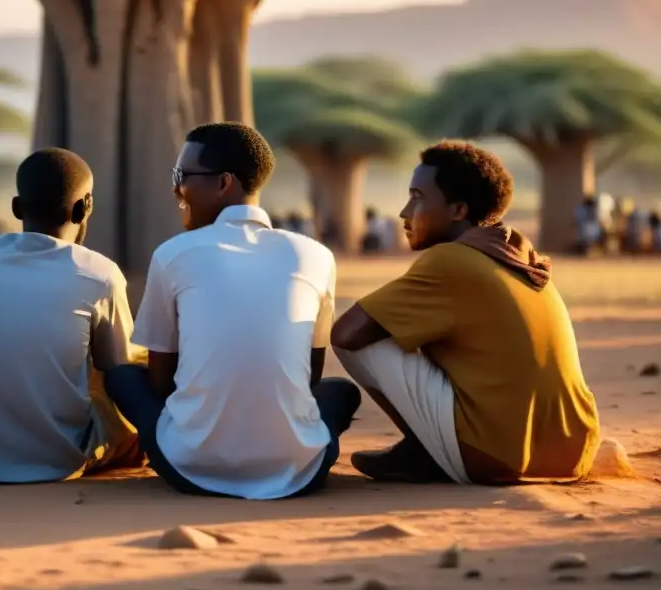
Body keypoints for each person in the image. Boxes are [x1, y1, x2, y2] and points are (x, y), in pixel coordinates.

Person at [105, 122, 360, 499]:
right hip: (300, 470)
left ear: (224, 183)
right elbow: (312, 376)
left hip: (188, 468)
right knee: (340, 393)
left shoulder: (174, 254)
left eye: (182, 176)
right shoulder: (316, 255)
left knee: (124, 378)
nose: (177, 188)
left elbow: (160, 382)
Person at [332, 141, 599, 484]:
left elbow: (347, 333)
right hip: (575, 453)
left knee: (361, 337)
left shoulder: (452, 261)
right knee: (396, 325)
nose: (404, 211)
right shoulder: (520, 257)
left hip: (496, 457)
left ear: (458, 210)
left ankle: (421, 452)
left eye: (417, 197)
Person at [0, 148, 142, 483]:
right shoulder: (100, 272)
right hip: (56, 457)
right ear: (84, 207)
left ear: (16, 207)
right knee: (129, 360)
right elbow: (116, 366)